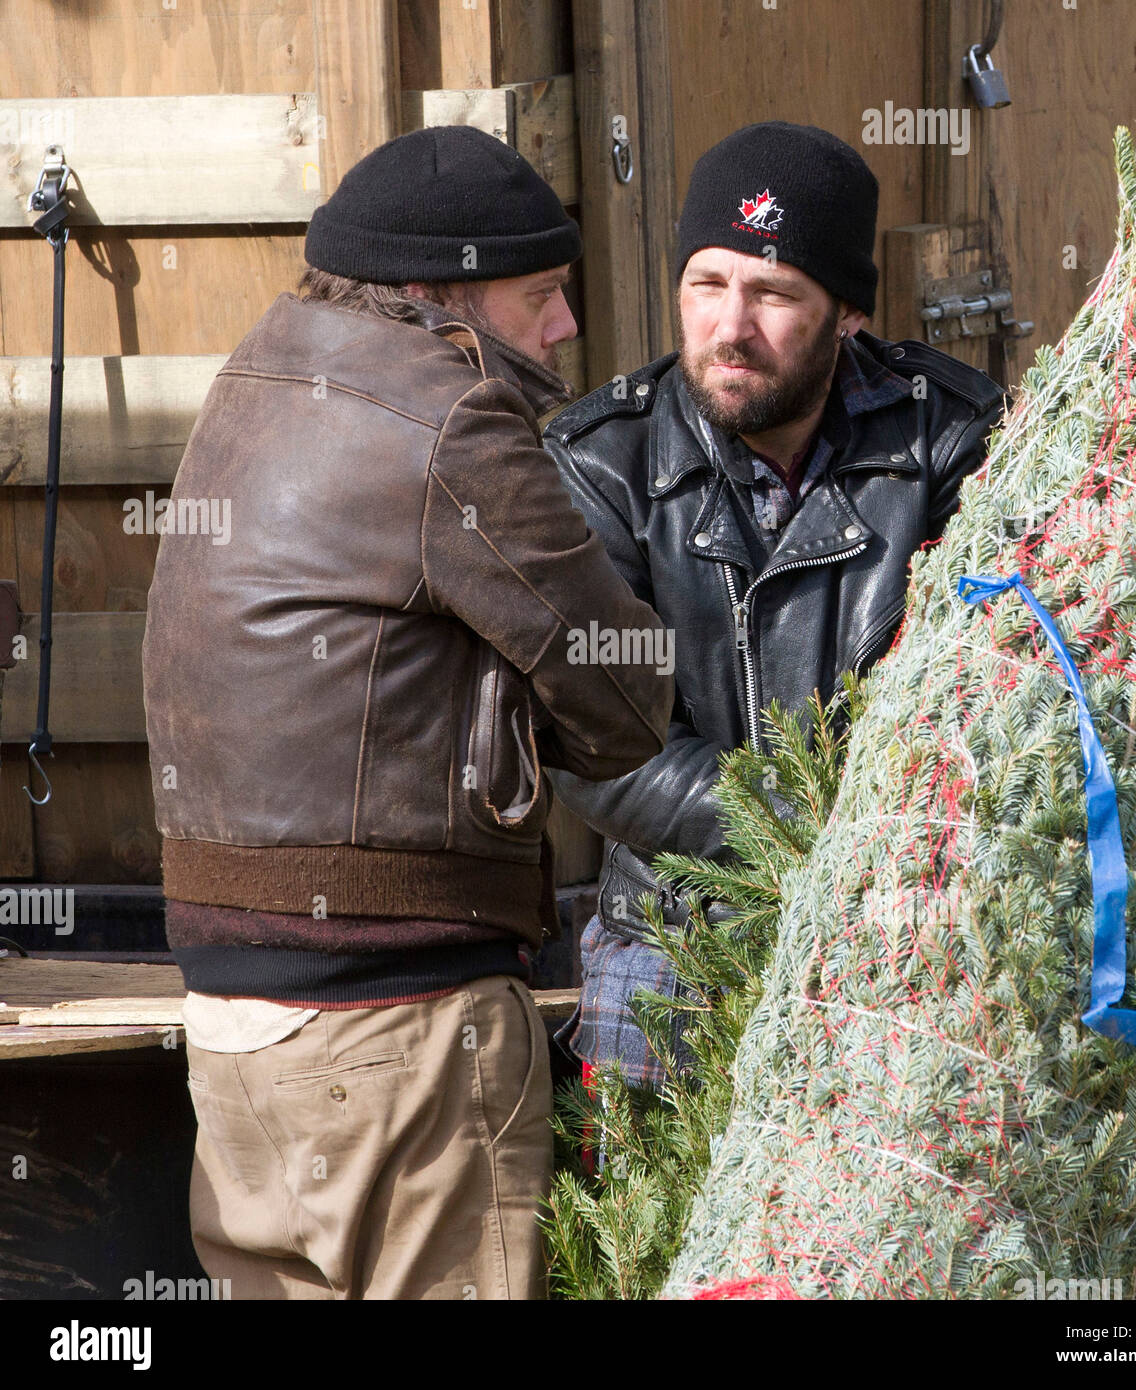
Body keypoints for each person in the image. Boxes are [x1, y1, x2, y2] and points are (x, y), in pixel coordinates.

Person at [141, 125, 675, 1299]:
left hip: (234, 1032)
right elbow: (624, 696)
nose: (564, 329)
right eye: (539, 295)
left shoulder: (253, 375)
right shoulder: (450, 416)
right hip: (397, 1031)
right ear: (445, 293)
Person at [542, 121, 1006, 1091]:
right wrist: (803, 823)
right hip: (668, 939)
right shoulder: (603, 464)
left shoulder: (949, 442)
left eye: (771, 293)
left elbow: (997, 693)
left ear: (845, 314)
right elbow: (596, 742)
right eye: (705, 284)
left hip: (893, 923)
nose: (727, 327)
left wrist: (869, 858)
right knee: (657, 1233)